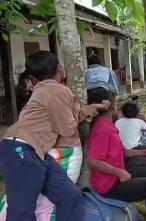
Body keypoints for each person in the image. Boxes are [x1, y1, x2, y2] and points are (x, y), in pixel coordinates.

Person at [0, 50, 110, 220]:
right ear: (59, 67)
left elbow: (66, 116)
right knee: (21, 212)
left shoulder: (44, 91)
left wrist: (94, 108)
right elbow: (67, 128)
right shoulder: (58, 90)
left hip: (35, 151)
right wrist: (81, 109)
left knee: (70, 195)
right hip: (21, 148)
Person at [86, 89, 146, 221]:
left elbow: (123, 151)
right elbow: (93, 160)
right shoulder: (101, 129)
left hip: (119, 175)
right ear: (112, 106)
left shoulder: (109, 126)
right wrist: (119, 173)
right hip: (109, 186)